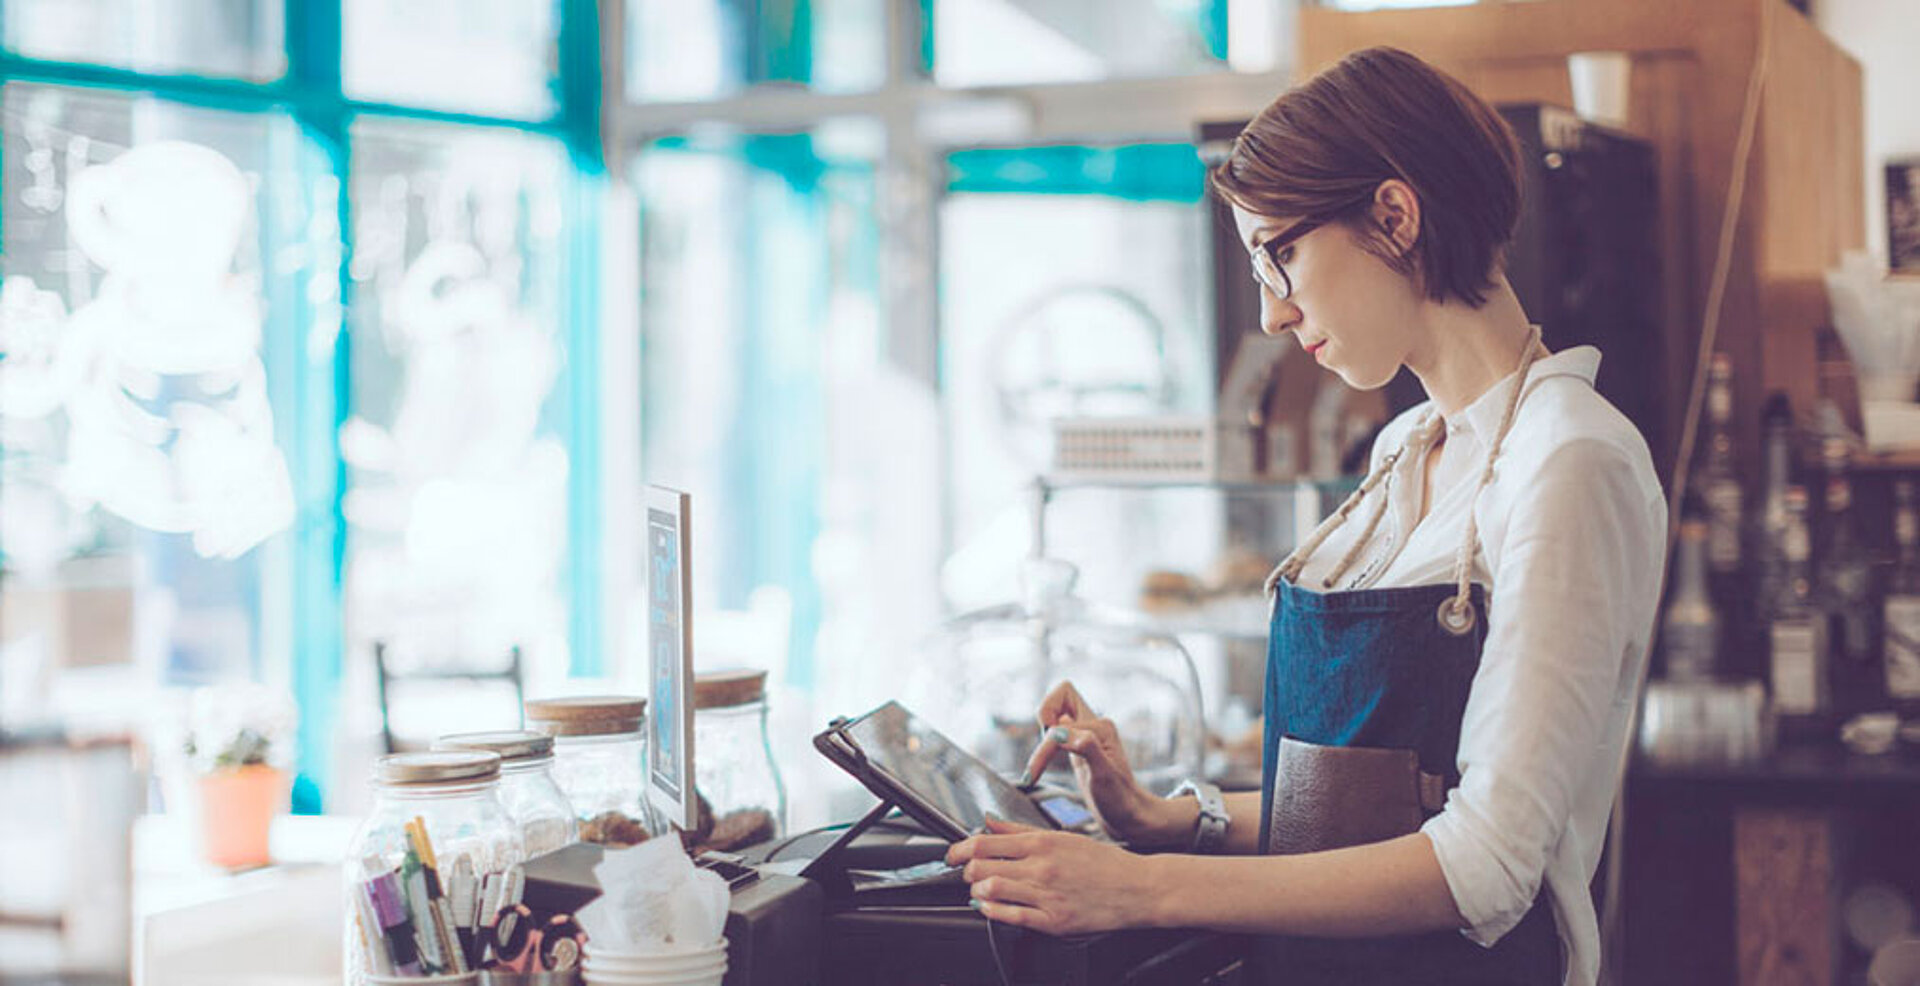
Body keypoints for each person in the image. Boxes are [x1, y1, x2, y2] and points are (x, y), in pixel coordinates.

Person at [946, 46, 1667, 986]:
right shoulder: (1406, 446)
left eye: (1279, 255)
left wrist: (1143, 888)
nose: (1274, 315)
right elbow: (1373, 802)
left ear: (1395, 217)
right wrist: (1176, 820)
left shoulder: (1568, 459)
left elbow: (1484, 866)